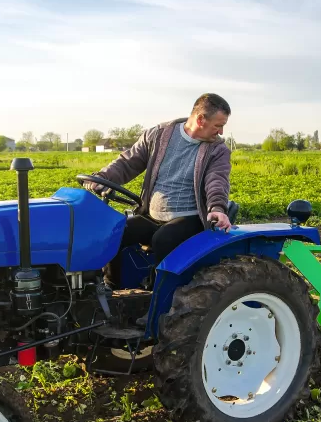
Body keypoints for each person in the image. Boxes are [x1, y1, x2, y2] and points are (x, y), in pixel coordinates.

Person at [88, 94, 233, 287]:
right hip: (153, 215)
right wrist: (102, 178)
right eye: (218, 125)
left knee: (163, 239)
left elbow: (217, 180)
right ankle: (111, 289)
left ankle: (158, 298)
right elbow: (128, 162)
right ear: (200, 120)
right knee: (114, 232)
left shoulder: (217, 150)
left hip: (189, 217)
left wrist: (216, 207)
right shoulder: (160, 134)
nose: (221, 131)